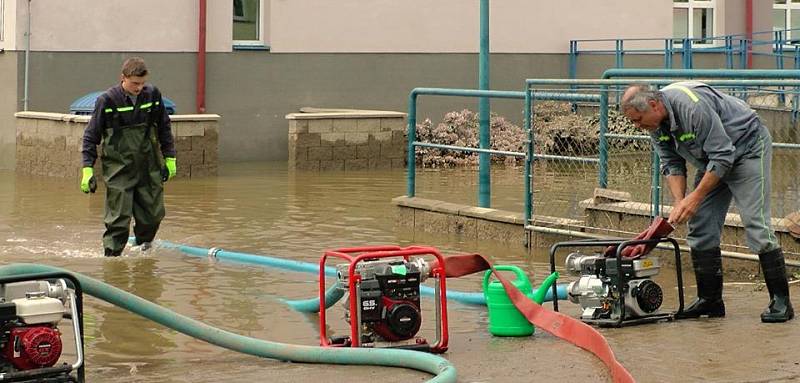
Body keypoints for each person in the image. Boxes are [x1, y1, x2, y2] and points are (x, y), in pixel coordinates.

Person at [621, 81, 794, 323]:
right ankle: (710, 301)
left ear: (654, 105)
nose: (637, 126)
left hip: (747, 148)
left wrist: (696, 198)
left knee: (756, 224)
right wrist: (681, 203)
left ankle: (781, 302)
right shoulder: (655, 125)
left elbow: (724, 154)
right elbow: (672, 164)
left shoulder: (691, 108)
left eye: (638, 119)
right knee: (700, 226)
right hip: (714, 159)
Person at [80, 57, 176, 257]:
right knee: (118, 219)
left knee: (153, 215)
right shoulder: (107, 101)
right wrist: (87, 168)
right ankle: (112, 261)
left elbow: (164, 128)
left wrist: (170, 158)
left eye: (142, 83)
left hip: (148, 167)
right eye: (134, 83)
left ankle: (143, 251)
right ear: (123, 78)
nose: (139, 88)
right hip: (119, 170)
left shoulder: (153, 96)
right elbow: (91, 137)